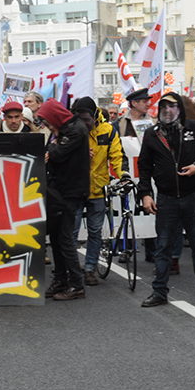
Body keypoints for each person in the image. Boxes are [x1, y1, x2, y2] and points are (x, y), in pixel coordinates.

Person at [137, 92, 195, 308]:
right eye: (164, 106)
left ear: (180, 109)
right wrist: (145, 194)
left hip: (193, 198)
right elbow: (144, 166)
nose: (168, 110)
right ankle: (159, 292)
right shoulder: (152, 134)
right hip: (166, 200)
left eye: (172, 106)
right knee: (163, 248)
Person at [39, 98, 90, 301]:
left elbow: (57, 154)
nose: (48, 126)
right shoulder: (67, 130)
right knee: (57, 239)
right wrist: (52, 147)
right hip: (60, 190)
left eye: (48, 122)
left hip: (71, 191)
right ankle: (61, 279)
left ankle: (76, 284)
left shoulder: (75, 130)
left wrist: (52, 147)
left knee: (65, 239)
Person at [72, 97, 123, 286]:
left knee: (95, 231)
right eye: (80, 119)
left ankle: (89, 269)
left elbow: (117, 156)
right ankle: (71, 269)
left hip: (98, 188)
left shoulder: (108, 130)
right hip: (75, 188)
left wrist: (122, 174)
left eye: (87, 119)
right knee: (71, 232)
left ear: (95, 116)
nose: (84, 123)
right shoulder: (71, 129)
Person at [116, 88, 157, 262]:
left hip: (149, 174)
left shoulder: (153, 123)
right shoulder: (119, 124)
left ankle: (153, 250)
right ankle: (126, 248)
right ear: (133, 103)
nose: (148, 103)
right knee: (126, 209)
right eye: (144, 100)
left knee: (150, 209)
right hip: (128, 173)